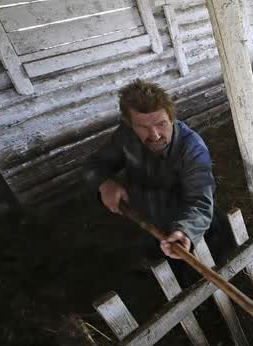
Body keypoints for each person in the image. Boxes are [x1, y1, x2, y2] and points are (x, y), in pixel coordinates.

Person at [84, 79, 227, 266]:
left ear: (172, 117)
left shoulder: (192, 148)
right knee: (162, 271)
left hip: (192, 223)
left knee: (211, 262)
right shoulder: (125, 137)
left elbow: (200, 200)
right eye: (143, 127)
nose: (155, 135)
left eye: (161, 124)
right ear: (129, 124)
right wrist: (104, 183)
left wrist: (185, 231)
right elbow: (95, 164)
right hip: (148, 220)